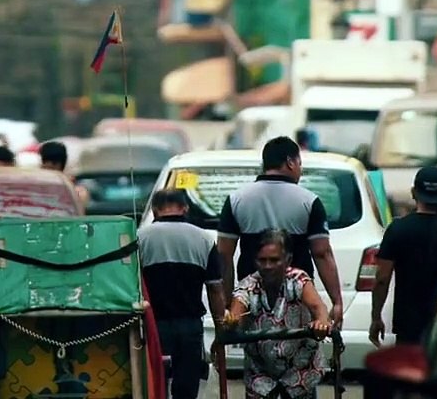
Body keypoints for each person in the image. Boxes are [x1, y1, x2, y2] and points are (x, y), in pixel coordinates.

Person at [217, 137, 346, 331]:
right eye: (300, 164)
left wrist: (228, 303)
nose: (300, 170)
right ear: (290, 162)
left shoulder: (236, 200)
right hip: (298, 299)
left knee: (254, 345)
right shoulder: (308, 201)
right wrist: (336, 301)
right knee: (297, 345)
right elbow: (322, 253)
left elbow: (224, 257)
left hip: (252, 300)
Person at [137, 189, 225, 399]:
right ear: (185, 208)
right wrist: (221, 331)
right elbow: (215, 289)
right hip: (190, 326)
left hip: (152, 325)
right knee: (186, 387)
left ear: (155, 210)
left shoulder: (139, 238)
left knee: (154, 385)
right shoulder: (204, 238)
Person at [225, 229, 331, 399]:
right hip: (261, 372)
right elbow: (237, 311)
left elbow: (318, 307)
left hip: (299, 369)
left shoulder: (298, 280)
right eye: (262, 260)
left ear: (287, 260)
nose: (267, 266)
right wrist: (232, 321)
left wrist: (322, 321)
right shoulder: (248, 285)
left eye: (274, 260)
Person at [369, 167, 437, 347]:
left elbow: (382, 278)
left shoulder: (398, 229)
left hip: (408, 323)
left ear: (414, 192)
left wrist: (376, 316)